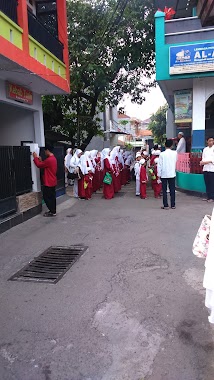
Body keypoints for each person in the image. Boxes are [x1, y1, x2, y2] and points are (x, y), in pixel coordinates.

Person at [33, 145, 57, 217]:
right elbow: (44, 164)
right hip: (52, 181)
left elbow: (39, 165)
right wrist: (40, 160)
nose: (44, 153)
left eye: (45, 151)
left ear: (47, 150)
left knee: (46, 197)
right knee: (52, 197)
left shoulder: (49, 159)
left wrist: (35, 158)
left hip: (48, 182)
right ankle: (53, 210)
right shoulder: (53, 158)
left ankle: (52, 211)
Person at [158, 139, 177, 210]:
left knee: (164, 190)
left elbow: (159, 165)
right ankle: (173, 204)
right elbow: (176, 161)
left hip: (164, 174)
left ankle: (165, 205)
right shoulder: (175, 153)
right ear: (172, 145)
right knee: (172, 189)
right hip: (172, 173)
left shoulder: (162, 154)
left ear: (165, 145)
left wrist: (159, 175)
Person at [200, 137, 214, 202]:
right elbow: (203, 158)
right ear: (207, 142)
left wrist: (205, 162)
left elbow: (212, 160)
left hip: (212, 169)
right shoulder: (205, 149)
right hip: (205, 168)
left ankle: (212, 197)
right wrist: (202, 162)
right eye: (210, 141)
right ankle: (208, 196)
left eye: (212, 141)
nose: (211, 142)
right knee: (207, 183)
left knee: (212, 183)